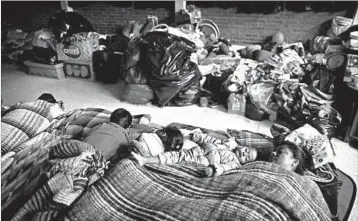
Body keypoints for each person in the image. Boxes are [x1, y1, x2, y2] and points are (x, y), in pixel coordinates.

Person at [131, 130, 270, 177]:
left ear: (246, 163)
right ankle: (145, 159)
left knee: (174, 159)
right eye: (246, 150)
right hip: (197, 150)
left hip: (200, 162)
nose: (244, 154)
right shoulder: (228, 144)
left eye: (247, 157)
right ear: (243, 146)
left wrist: (214, 169)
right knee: (174, 154)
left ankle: (146, 161)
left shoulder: (234, 163)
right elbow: (211, 139)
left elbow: (224, 168)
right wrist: (197, 136)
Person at [82, 108, 152, 161]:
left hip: (80, 148)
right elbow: (147, 129)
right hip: (94, 160)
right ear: (128, 126)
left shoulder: (100, 126)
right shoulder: (125, 137)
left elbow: (88, 135)